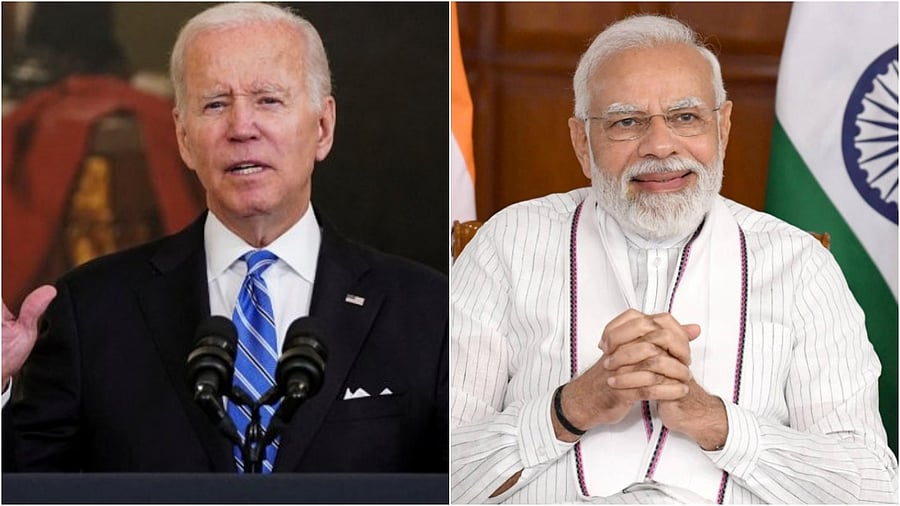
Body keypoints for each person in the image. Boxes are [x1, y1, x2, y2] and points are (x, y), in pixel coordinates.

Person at [450, 14, 897, 503]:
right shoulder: (506, 244)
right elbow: (435, 474)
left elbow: (872, 489)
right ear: (582, 141)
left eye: (686, 117)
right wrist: (571, 408)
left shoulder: (799, 264)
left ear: (722, 127)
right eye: (626, 122)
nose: (660, 146)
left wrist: (715, 421)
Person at [2, 2, 447, 474]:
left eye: (268, 100)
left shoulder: (424, 308)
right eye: (215, 104)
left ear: (322, 127)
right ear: (183, 137)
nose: (241, 128)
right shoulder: (90, 309)